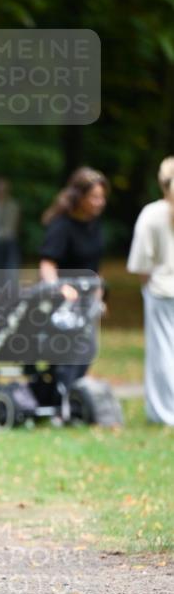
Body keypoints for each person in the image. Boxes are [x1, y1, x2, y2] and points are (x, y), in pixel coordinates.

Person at [39, 166, 109, 391]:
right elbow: (47, 264)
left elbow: (95, 266)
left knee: (85, 354)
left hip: (87, 300)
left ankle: (72, 397)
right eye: (94, 197)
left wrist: (98, 296)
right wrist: (59, 289)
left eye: (102, 197)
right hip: (64, 304)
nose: (100, 202)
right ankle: (63, 397)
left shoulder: (94, 225)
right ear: (80, 197)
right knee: (68, 356)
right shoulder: (61, 226)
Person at [127, 156, 174, 425]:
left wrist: (147, 286)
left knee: (163, 352)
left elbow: (141, 263)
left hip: (161, 290)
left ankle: (165, 412)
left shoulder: (152, 214)